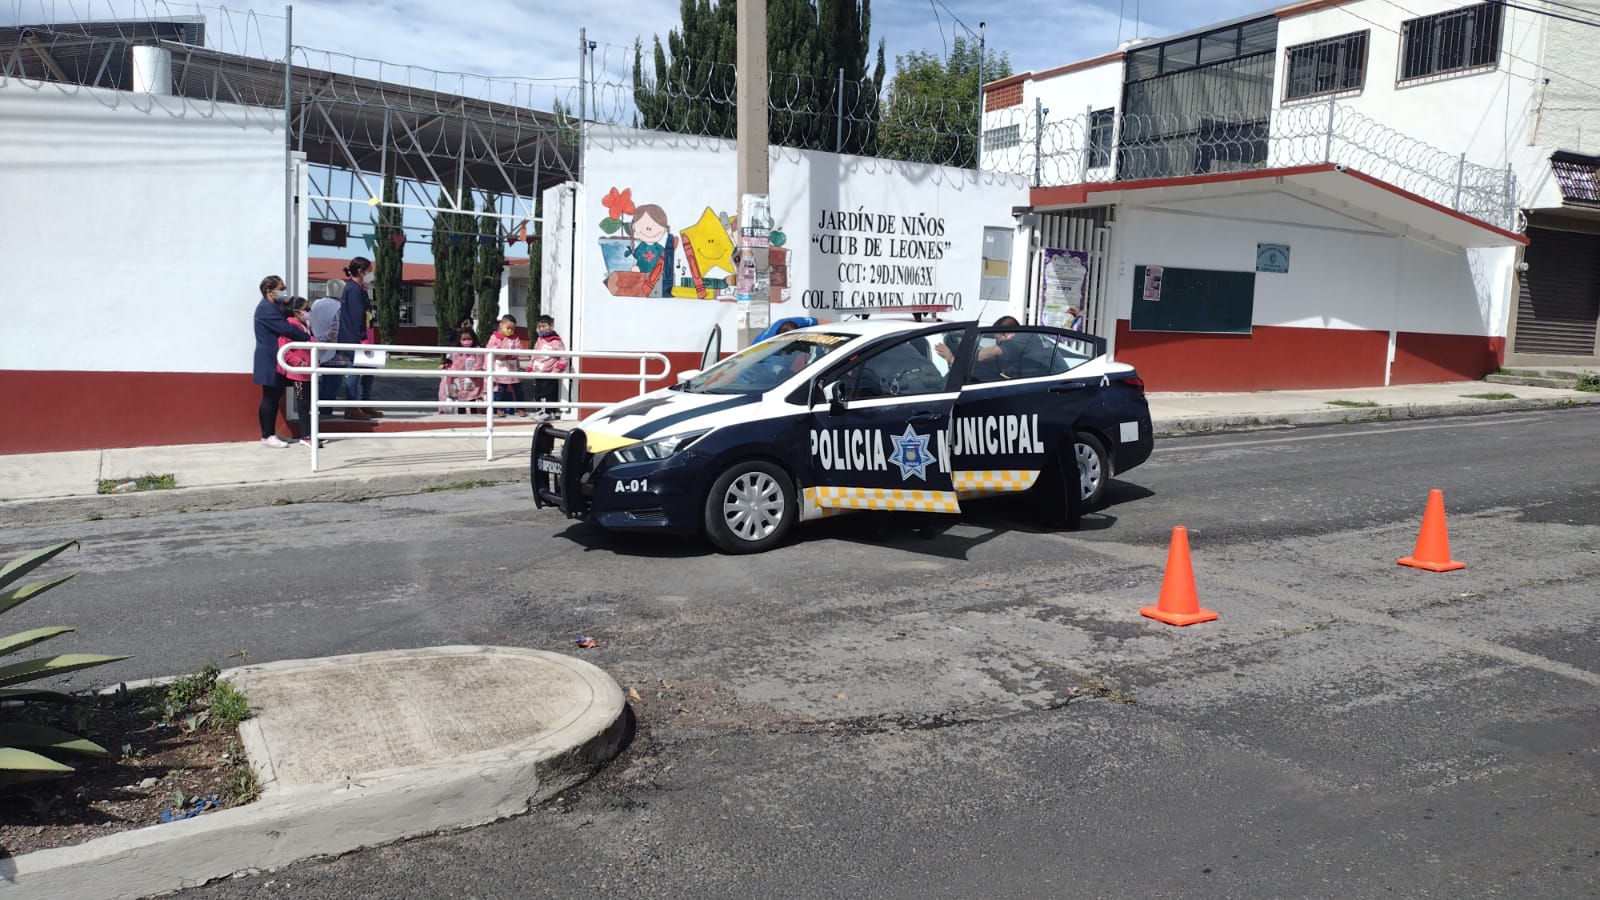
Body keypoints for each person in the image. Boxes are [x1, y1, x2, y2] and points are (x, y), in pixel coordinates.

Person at [251, 275, 301, 447]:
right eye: (281, 288)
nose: (283, 291)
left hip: (275, 358)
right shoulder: (266, 309)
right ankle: (266, 435)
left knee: (275, 396)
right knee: (270, 397)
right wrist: (306, 336)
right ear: (269, 291)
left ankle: (271, 433)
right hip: (269, 359)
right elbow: (285, 328)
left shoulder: (273, 307)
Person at [338, 257, 381, 419]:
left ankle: (364, 403)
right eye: (369, 270)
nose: (371, 273)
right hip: (356, 338)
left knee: (369, 370)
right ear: (360, 271)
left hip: (366, 336)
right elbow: (356, 318)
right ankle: (352, 406)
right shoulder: (353, 289)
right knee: (355, 371)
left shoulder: (360, 288)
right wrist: (363, 340)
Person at [276, 297, 318, 445]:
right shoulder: (289, 327)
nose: (309, 312)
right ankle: (306, 435)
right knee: (302, 404)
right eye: (306, 309)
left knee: (312, 404)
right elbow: (285, 350)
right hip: (299, 374)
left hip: (310, 372)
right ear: (296, 312)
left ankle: (313, 434)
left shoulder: (306, 326)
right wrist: (298, 362)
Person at [308, 290, 346, 420]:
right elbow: (335, 331)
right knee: (333, 383)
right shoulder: (338, 307)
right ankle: (326, 411)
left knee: (323, 383)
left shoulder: (316, 304)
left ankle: (320, 408)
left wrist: (318, 338)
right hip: (335, 350)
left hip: (318, 349)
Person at [485, 314, 528, 417]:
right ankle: (500, 408)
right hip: (501, 367)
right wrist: (500, 352)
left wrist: (511, 353)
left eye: (513, 329)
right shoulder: (495, 337)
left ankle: (521, 408)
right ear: (501, 325)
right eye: (508, 328)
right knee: (501, 389)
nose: (510, 330)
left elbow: (518, 349)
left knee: (518, 389)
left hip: (513, 368)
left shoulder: (515, 338)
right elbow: (490, 347)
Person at [529, 315, 568, 421]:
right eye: (539, 327)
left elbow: (563, 357)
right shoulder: (539, 340)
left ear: (551, 326)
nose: (541, 329)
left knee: (549, 393)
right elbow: (534, 354)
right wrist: (530, 366)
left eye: (544, 326)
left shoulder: (556, 341)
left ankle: (549, 412)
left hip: (550, 373)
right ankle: (540, 410)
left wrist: (559, 369)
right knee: (538, 393)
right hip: (538, 372)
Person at [438, 328, 486, 414]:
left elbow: (479, 363)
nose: (466, 341)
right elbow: (455, 364)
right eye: (464, 339)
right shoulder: (457, 350)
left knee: (472, 398)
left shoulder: (477, 350)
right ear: (459, 340)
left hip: (473, 379)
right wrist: (453, 372)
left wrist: (473, 372)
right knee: (460, 398)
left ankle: (474, 415)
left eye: (469, 339)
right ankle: (461, 415)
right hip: (459, 379)